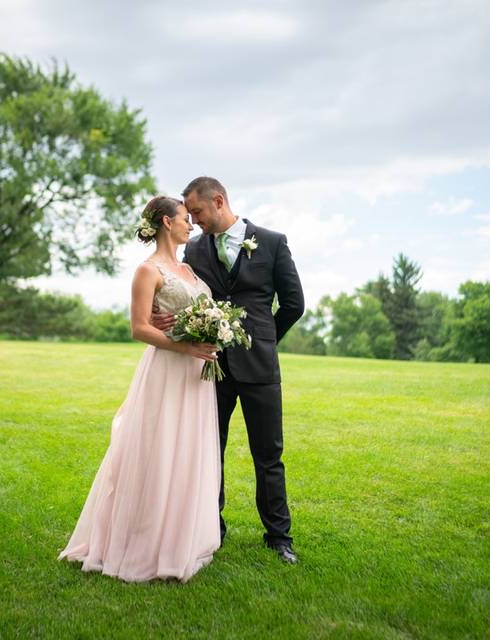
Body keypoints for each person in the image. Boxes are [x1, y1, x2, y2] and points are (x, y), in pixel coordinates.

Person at [58, 196, 222, 583]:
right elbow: (139, 327)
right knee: (160, 449)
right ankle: (146, 541)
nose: (191, 225)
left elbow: (188, 314)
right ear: (167, 222)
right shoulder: (147, 271)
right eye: (186, 219)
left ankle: (182, 537)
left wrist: (212, 330)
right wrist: (184, 343)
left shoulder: (186, 268)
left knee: (188, 452)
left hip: (195, 375)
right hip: (167, 369)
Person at [153, 177, 305, 564]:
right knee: (209, 451)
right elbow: (183, 292)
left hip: (259, 367)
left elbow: (293, 304)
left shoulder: (272, 242)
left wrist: (265, 339)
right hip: (210, 367)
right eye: (189, 214)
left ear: (218, 202)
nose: (194, 220)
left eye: (198, 212)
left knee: (268, 455)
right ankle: (210, 530)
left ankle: (278, 537)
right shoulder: (195, 250)